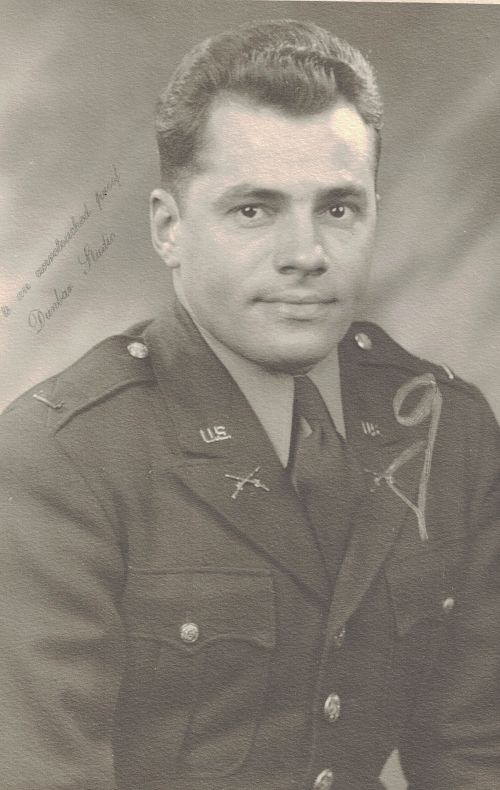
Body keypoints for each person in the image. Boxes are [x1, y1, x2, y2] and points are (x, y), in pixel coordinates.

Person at [0, 18, 499, 790]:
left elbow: (478, 754)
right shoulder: (62, 460)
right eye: (254, 210)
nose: (305, 255)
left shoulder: (444, 428)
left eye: (338, 208)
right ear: (169, 228)